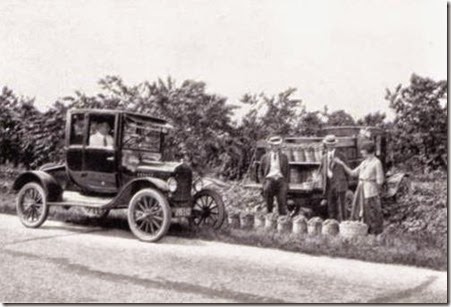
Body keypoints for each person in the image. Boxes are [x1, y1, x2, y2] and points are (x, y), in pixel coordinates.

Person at [334, 141, 385, 234]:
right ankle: (361, 232)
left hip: (370, 191)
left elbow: (380, 180)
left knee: (371, 213)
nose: (361, 153)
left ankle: (373, 233)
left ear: (368, 151)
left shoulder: (377, 163)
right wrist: (342, 164)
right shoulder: (364, 162)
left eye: (363, 151)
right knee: (358, 211)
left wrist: (375, 189)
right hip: (361, 189)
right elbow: (353, 173)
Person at [318, 135, 349, 221]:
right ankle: (333, 226)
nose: (330, 146)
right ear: (326, 145)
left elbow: (347, 171)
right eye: (328, 144)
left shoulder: (341, 156)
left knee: (341, 208)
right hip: (329, 185)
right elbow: (322, 171)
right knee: (331, 207)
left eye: (332, 144)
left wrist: (344, 183)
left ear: (335, 145)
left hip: (340, 184)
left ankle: (343, 226)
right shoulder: (324, 157)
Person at [259, 136, 289, 215]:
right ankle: (269, 216)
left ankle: (282, 218)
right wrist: (263, 182)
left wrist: (286, 182)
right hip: (269, 179)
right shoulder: (265, 157)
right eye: (273, 145)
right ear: (270, 146)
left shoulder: (284, 157)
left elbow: (287, 171)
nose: (275, 147)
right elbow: (260, 171)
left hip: (280, 179)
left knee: (282, 199)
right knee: (268, 196)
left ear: (279, 146)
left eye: (277, 145)